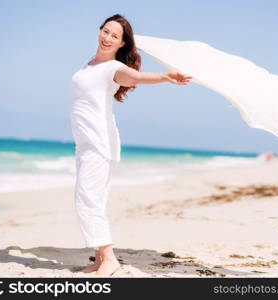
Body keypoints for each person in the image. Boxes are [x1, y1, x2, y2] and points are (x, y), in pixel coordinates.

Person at [69, 13, 192, 277]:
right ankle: (101, 259)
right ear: (99, 30)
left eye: (115, 36)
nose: (108, 38)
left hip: (99, 143)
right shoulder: (89, 64)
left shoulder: (113, 69)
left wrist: (165, 76)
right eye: (106, 31)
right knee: (95, 200)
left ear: (122, 44)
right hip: (86, 142)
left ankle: (110, 259)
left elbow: (134, 77)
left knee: (86, 199)